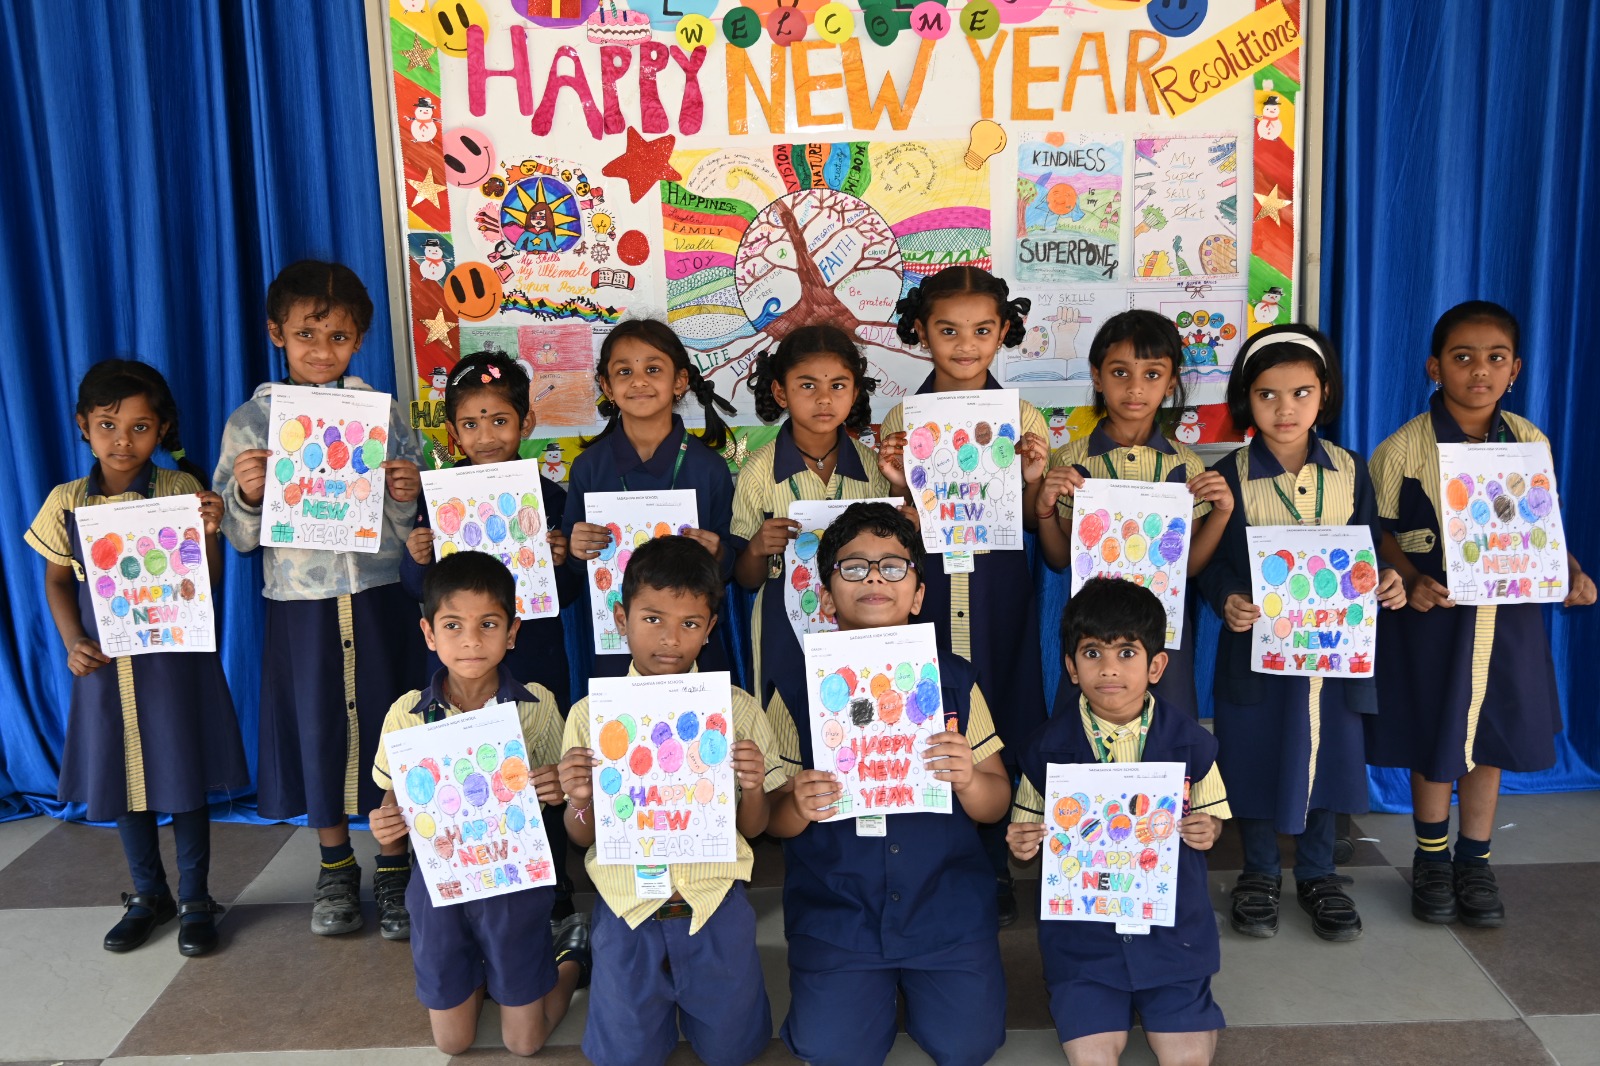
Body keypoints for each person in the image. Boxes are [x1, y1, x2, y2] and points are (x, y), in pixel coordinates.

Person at [214, 260, 426, 938]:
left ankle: (393, 865)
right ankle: (335, 864)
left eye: (338, 336)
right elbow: (236, 536)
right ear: (277, 333)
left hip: (380, 598)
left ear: (359, 340)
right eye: (306, 333)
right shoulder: (252, 423)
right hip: (300, 605)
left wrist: (405, 495)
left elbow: (417, 524)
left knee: (393, 725)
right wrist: (248, 494)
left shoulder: (383, 415)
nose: (321, 350)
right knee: (314, 727)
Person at [1367, 301, 1595, 926]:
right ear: (1434, 367)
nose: (1479, 371)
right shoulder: (1402, 448)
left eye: (1496, 358)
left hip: (1507, 617)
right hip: (1433, 616)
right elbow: (1378, 532)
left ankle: (1474, 859)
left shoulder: (1529, 442)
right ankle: (1431, 859)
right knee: (1435, 735)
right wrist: (1409, 577)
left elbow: (1542, 526)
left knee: (1487, 736)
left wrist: (1572, 570)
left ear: (1514, 369)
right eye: (1462, 357)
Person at [766, 502, 1012, 1066]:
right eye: (853, 567)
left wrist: (969, 780)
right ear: (827, 597)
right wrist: (796, 804)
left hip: (944, 906)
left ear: (918, 594)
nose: (874, 578)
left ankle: (917, 992)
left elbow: (996, 802)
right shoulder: (795, 688)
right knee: (834, 1051)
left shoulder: (955, 681)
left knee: (968, 1045)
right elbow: (772, 817)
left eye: (893, 567)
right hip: (839, 912)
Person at [29, 359, 249, 956]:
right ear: (83, 426)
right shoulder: (66, 501)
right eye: (107, 425)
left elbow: (209, 579)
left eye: (140, 427)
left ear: (163, 429)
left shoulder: (180, 492)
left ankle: (196, 897)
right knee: (124, 780)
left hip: (173, 664)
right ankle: (149, 895)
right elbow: (56, 581)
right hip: (104, 668)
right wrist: (73, 641)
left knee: (182, 775)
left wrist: (210, 533)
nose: (122, 441)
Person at [1196, 325, 1407, 941]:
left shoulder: (1351, 469)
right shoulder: (1228, 475)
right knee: (1255, 755)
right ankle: (1260, 872)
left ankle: (1319, 874)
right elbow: (1211, 564)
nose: (1284, 409)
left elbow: (1369, 550)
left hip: (1333, 656)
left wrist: (1386, 579)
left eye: (1300, 393)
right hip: (1256, 652)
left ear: (1325, 394)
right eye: (1267, 394)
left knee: (1328, 756)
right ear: (1246, 399)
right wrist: (1228, 599)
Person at [558, 536, 782, 1066]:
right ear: (622, 618)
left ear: (710, 628)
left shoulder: (736, 710)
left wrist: (753, 786)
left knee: (733, 1053)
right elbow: (582, 835)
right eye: (652, 618)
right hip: (626, 903)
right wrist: (580, 799)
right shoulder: (591, 716)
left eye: (690, 623)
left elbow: (755, 828)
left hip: (713, 900)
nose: (670, 639)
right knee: (625, 1056)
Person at [875, 266, 1052, 923]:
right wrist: (898, 482)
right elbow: (899, 522)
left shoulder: (1021, 417)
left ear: (1003, 333)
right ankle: (936, 853)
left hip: (997, 587)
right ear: (922, 333)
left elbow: (1031, 519)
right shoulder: (903, 417)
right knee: (933, 710)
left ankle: (996, 858)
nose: (965, 345)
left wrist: (1033, 477)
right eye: (948, 331)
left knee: (1000, 707)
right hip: (930, 584)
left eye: (981, 331)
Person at [368, 552, 589, 1056]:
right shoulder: (406, 714)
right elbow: (391, 797)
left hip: (514, 885)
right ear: (429, 633)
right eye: (453, 625)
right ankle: (484, 974)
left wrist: (557, 787)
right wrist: (386, 825)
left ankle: (572, 958)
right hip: (439, 890)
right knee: (453, 1042)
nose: (471, 640)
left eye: (488, 624)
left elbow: (560, 785)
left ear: (512, 632)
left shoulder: (536, 705)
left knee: (525, 1042)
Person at [1009, 577, 1230, 1065]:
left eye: (1126, 653)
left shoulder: (1193, 743)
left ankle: (1175, 1001)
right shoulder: (1043, 751)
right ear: (1071, 667)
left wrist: (1206, 829)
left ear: (1156, 666)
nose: (1108, 669)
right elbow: (1027, 827)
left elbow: (1213, 818)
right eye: (1092, 653)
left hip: (1172, 936)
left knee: (1187, 1058)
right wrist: (1023, 841)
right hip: (1083, 944)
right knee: (1092, 1058)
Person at [400, 351, 581, 919]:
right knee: (466, 770)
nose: (486, 435)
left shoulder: (552, 498)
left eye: (499, 420)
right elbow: (419, 589)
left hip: (533, 658)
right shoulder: (436, 496)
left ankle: (552, 886)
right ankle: (467, 877)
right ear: (453, 433)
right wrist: (416, 557)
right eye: (471, 424)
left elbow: (566, 593)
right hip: (463, 666)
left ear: (527, 423)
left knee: (539, 767)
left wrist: (561, 561)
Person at [1036, 309, 1235, 718]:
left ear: (1171, 382)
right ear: (1097, 377)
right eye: (1120, 373)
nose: (1135, 388)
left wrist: (1221, 513)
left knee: (1164, 732)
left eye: (1152, 374)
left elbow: (1188, 568)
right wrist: (1044, 511)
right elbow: (1058, 560)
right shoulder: (1071, 460)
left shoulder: (1185, 466)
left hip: (1160, 633)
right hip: (1093, 634)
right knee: (1085, 735)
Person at [563, 319, 739, 681]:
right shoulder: (589, 468)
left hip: (693, 646)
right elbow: (573, 569)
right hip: (618, 647)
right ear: (607, 387)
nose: (639, 381)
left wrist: (719, 552)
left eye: (653, 369)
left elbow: (732, 562)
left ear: (680, 381)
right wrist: (574, 551)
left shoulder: (708, 468)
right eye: (624, 371)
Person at [733, 324, 895, 702]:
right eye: (807, 386)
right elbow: (745, 579)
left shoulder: (872, 467)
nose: (824, 399)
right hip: (783, 623)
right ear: (781, 392)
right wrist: (757, 549)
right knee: (788, 713)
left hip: (860, 617)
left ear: (855, 392)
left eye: (838, 386)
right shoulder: (757, 471)